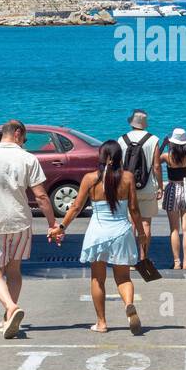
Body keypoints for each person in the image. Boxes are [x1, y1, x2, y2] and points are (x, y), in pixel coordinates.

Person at [0, 119, 58, 339]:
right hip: (21, 222)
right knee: (14, 270)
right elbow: (41, 196)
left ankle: (10, 307)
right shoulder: (28, 159)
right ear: (18, 133)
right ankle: (8, 316)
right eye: (25, 139)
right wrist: (52, 224)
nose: (24, 143)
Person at [50, 140, 147, 334]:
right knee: (123, 277)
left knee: (97, 279)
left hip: (98, 233)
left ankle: (101, 323)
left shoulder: (90, 179)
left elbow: (76, 207)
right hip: (121, 231)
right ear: (120, 157)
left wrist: (61, 227)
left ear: (100, 157)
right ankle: (128, 305)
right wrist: (142, 233)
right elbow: (134, 209)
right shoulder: (127, 178)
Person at [118, 109, 161, 251]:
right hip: (148, 187)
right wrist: (160, 186)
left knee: (131, 224)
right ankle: (143, 259)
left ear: (132, 123)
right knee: (146, 224)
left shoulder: (122, 139)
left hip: (127, 187)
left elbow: (119, 166)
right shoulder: (153, 139)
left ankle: (130, 259)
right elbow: (156, 166)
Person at [159, 127, 186, 269]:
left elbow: (154, 161)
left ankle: (177, 262)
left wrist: (164, 144)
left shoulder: (167, 156)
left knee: (174, 229)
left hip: (172, 190)